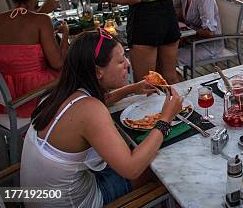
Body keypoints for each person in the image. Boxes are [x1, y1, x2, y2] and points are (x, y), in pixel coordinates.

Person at [21, 31, 183, 207]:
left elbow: (97, 100)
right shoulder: (91, 111)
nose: (128, 64)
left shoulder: (58, 94)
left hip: (40, 198)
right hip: (77, 202)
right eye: (121, 61)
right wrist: (166, 118)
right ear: (98, 71)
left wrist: (132, 89)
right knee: (161, 170)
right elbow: (132, 168)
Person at [0, 0, 68, 118]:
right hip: (33, 95)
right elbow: (58, 64)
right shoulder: (41, 21)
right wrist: (65, 34)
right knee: (76, 72)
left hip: (3, 94)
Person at [174, 0, 224, 66]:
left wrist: (188, 33)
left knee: (168, 61)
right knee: (162, 55)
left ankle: (180, 82)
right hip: (192, 41)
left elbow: (209, 32)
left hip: (208, 45)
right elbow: (169, 7)